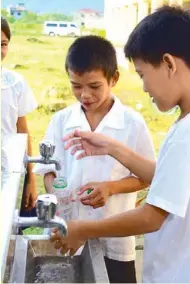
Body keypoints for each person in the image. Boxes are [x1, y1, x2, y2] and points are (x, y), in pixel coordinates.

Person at [51, 6, 190, 283]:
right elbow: (169, 180)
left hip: (180, 272)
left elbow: (152, 216)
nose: (145, 88)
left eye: (143, 74)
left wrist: (83, 229)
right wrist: (112, 148)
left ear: (169, 64)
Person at [34, 35, 155, 283]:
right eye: (76, 86)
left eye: (94, 86)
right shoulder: (61, 120)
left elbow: (146, 177)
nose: (85, 95)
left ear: (114, 79)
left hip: (115, 235)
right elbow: (48, 170)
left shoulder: (132, 123)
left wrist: (111, 188)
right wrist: (57, 192)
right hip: (70, 232)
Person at [1, 17, 37, 214]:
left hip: (8, 175)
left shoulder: (15, 83)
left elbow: (22, 130)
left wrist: (31, 178)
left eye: (3, 44)